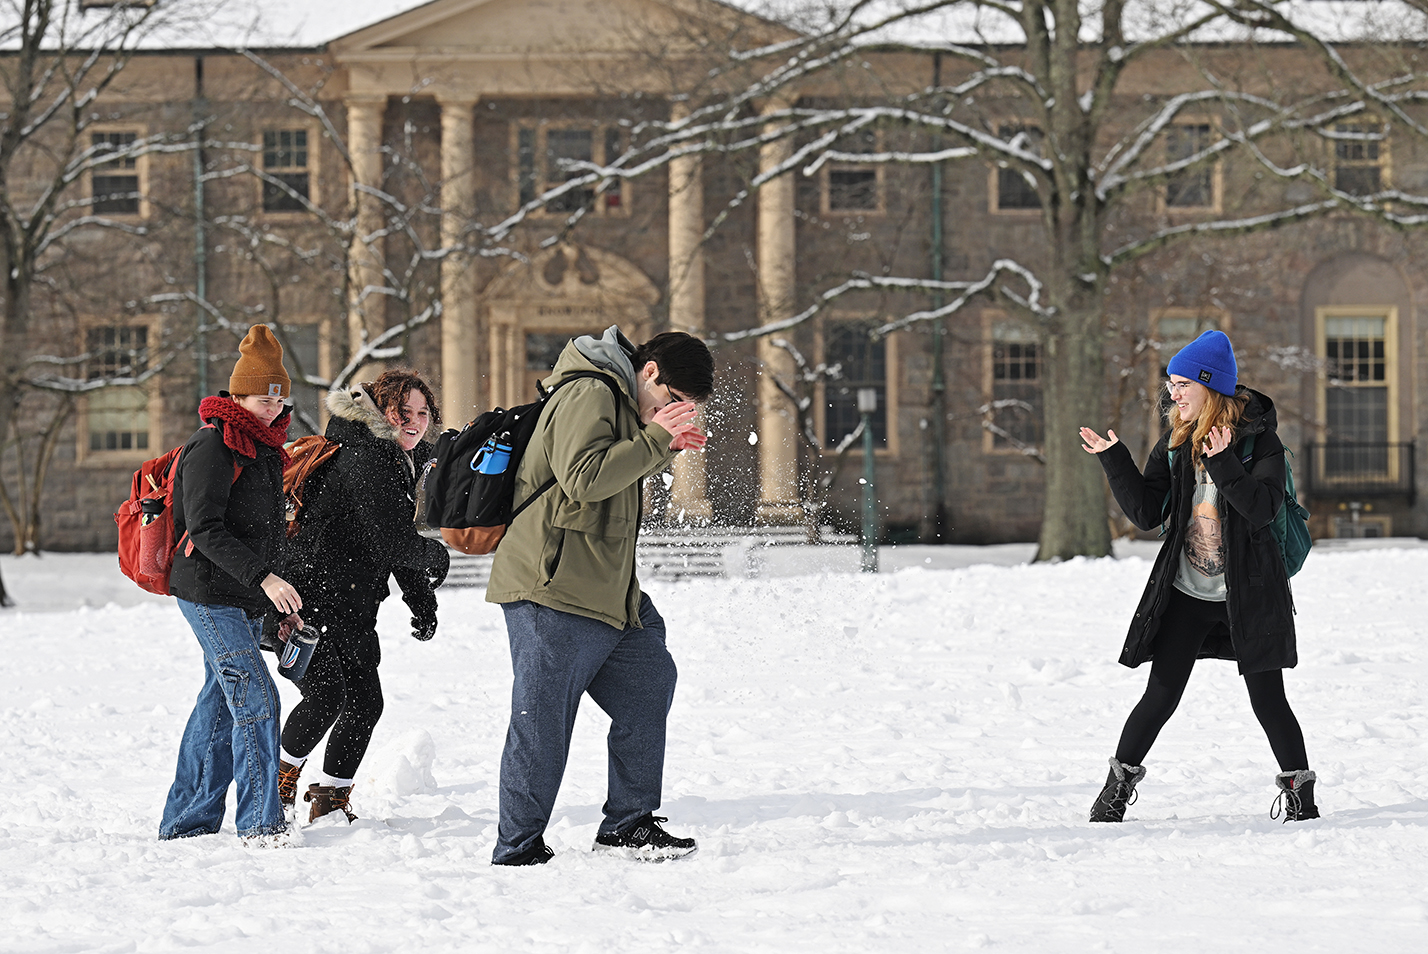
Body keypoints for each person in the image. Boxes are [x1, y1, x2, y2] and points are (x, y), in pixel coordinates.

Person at [486, 326, 713, 865]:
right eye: (673, 401)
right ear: (650, 372)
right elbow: (583, 479)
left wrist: (662, 445)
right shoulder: (590, 390)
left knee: (649, 681)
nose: (672, 411)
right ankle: (517, 846)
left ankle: (629, 823)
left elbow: (610, 478)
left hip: (608, 590)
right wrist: (657, 438)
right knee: (543, 718)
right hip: (554, 584)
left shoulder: (624, 403)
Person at [1079, 330, 1319, 823]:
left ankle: (1302, 796)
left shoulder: (1262, 445)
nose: (1174, 393)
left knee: (1269, 699)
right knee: (1160, 695)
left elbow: (1260, 509)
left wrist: (1224, 461)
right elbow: (1146, 513)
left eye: (1183, 383)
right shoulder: (1176, 440)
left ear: (1210, 386)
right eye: (1171, 383)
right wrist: (1114, 458)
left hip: (1249, 595)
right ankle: (1115, 791)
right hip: (1188, 592)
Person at [275, 370, 450, 824]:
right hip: (306, 602)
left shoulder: (392, 459)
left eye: (421, 413)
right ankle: (274, 783)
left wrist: (421, 600)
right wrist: (437, 557)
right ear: (379, 412)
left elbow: (386, 539)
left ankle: (330, 800)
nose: (413, 422)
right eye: (402, 412)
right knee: (325, 696)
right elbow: (397, 542)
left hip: (351, 604)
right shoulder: (364, 458)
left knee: (365, 702)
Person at [160, 325, 302, 845]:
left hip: (241, 596)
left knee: (220, 704)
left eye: (279, 395)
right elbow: (205, 527)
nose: (272, 405)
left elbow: (269, 535)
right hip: (206, 591)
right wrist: (263, 579)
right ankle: (262, 826)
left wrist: (276, 604)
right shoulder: (212, 445)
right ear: (237, 394)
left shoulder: (267, 450)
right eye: (263, 396)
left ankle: (186, 824)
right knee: (257, 698)